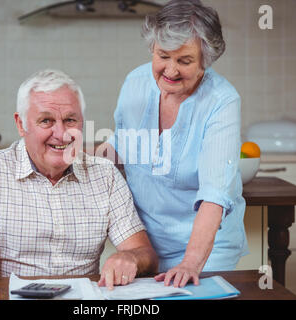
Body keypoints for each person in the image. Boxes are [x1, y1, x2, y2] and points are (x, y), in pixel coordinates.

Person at [0, 69, 158, 290]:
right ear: (21, 124)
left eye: (70, 120)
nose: (61, 134)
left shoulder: (105, 174)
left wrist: (132, 258)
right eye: (46, 121)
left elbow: (147, 255)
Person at [100, 0, 248, 288]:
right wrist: (71, 158)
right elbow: (120, 147)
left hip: (205, 250)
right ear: (152, 48)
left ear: (206, 60)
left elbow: (214, 194)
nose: (170, 70)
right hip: (145, 245)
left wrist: (191, 262)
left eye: (185, 60)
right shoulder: (135, 83)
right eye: (163, 56)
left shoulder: (222, 102)